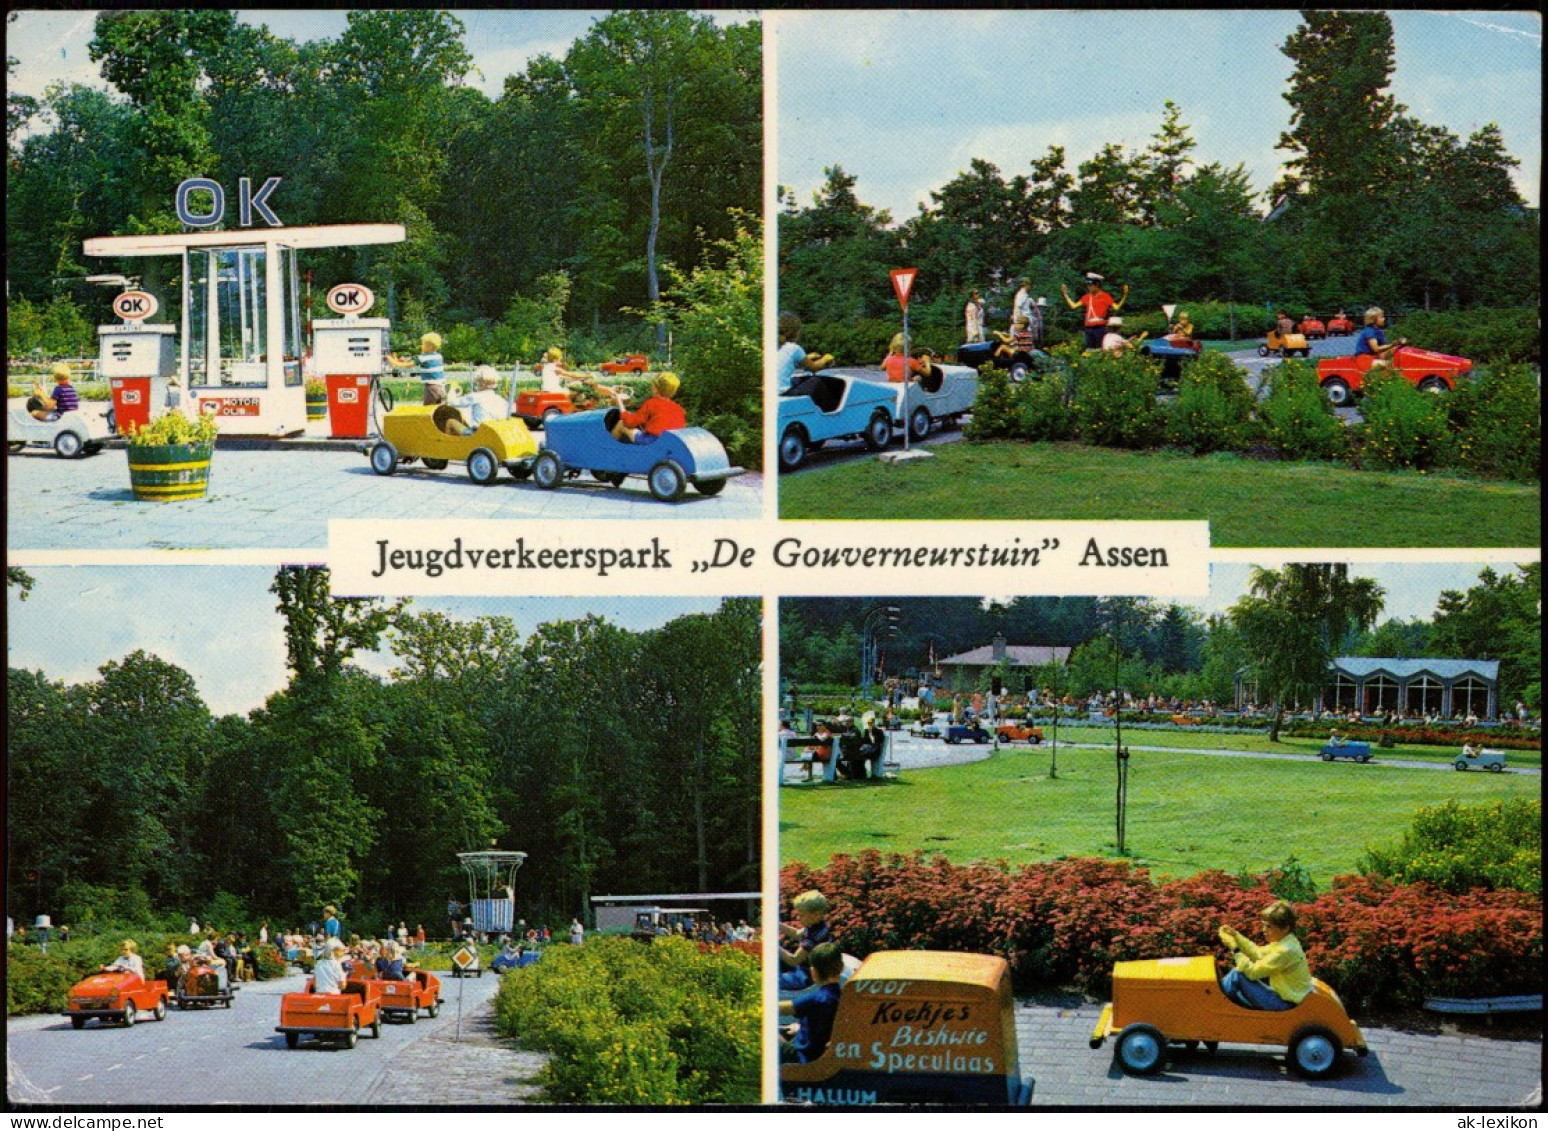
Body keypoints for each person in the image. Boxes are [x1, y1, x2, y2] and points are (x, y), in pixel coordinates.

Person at [1218, 899, 1313, 1011]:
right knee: (1237, 974)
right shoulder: (1287, 941)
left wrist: (1235, 949)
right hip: (1282, 996)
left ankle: (1213, 1004)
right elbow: (1258, 953)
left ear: (1285, 928)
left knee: (1237, 975)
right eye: (1263, 925)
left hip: (1282, 1003)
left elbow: (1252, 972)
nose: (1264, 930)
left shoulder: (1285, 950)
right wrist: (1236, 936)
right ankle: (1216, 1002)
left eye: (1269, 927)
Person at [778, 943, 845, 1063]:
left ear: (813, 972)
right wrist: (800, 1029)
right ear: (842, 967)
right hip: (818, 1051)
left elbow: (780, 1008)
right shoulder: (840, 996)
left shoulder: (817, 998)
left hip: (803, 1057)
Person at [779, 889, 833, 992]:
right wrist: (779, 925)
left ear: (816, 914)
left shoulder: (814, 937)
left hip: (807, 977)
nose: (798, 918)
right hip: (804, 971)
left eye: (802, 915)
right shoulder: (817, 926)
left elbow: (793, 960)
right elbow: (796, 934)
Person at [610, 372, 685, 443]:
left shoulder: (652, 403)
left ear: (656, 389)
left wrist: (619, 401)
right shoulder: (679, 409)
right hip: (669, 443)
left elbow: (629, 422)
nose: (651, 388)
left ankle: (607, 450)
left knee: (621, 424)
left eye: (653, 386)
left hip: (651, 441)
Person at [1062, 273, 1128, 349]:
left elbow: (1116, 307)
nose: (1088, 287)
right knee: (1089, 349)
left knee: (1100, 349)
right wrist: (1065, 294)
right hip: (1088, 327)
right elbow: (1073, 306)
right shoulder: (1087, 297)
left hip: (1100, 327)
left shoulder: (1105, 296)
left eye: (1090, 285)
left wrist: (1125, 295)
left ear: (1096, 284)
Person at [776, 313, 834, 392]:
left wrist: (807, 357)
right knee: (816, 381)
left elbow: (785, 362)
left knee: (796, 379)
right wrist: (825, 359)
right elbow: (813, 367)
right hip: (783, 391)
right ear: (794, 332)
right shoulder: (794, 348)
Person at [389, 332, 447, 404]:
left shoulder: (423, 357)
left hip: (431, 388)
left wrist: (392, 361)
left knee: (428, 410)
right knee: (439, 409)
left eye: (423, 344)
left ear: (430, 346)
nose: (421, 346)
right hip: (441, 387)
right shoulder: (439, 356)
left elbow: (408, 365)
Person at [448, 365, 508, 430]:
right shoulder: (499, 398)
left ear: (481, 384)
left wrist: (451, 391)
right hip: (492, 431)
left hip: (477, 432)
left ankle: (448, 440)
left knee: (450, 422)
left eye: (477, 383)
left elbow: (452, 402)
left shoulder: (475, 397)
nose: (477, 385)